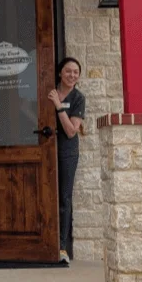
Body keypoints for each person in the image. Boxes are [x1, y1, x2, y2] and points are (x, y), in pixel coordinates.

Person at [47, 57, 86, 266]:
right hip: (45, 149)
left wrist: (58, 106)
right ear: (60, 73)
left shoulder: (78, 98)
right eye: (68, 71)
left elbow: (71, 131)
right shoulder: (49, 92)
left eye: (75, 72)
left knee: (64, 198)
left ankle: (61, 247)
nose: (72, 75)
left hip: (67, 152)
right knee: (45, 194)